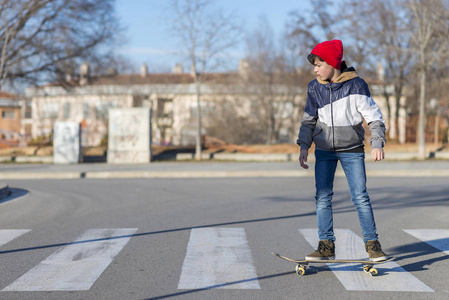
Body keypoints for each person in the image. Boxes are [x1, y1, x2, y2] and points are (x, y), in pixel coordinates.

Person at [297, 39, 388, 262]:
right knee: (322, 197)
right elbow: (309, 120)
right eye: (314, 65)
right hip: (324, 151)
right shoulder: (314, 87)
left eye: (319, 64)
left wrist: (376, 143)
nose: (315, 69)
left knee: (360, 197)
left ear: (331, 63)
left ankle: (373, 245)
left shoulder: (357, 85)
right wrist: (303, 146)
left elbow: (374, 118)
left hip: (352, 149)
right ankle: (326, 247)